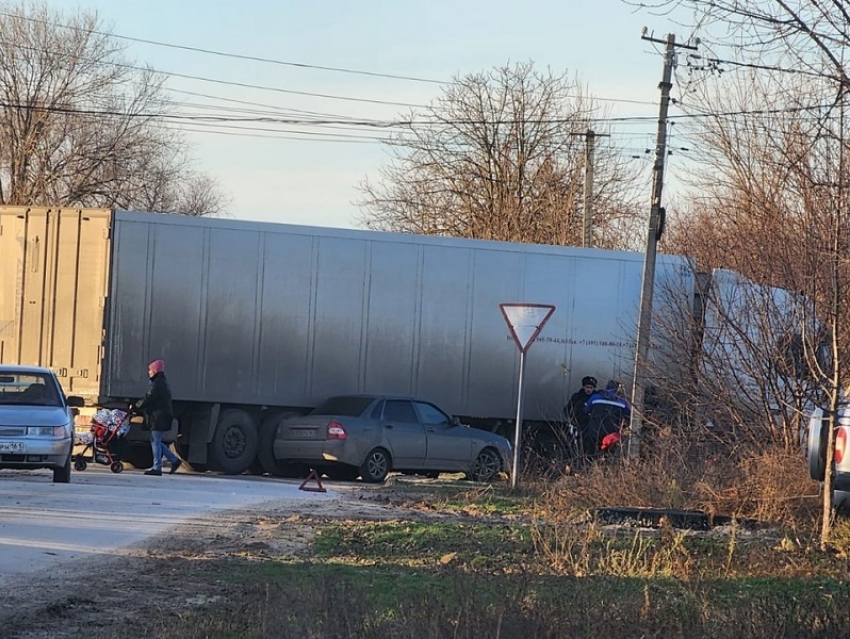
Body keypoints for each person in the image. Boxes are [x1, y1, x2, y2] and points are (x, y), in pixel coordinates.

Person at [132, 359, 182, 476]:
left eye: (150, 370)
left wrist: (136, 406)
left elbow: (148, 398)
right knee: (156, 441)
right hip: (161, 416)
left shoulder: (157, 384)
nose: (148, 372)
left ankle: (157, 467)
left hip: (159, 417)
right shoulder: (160, 382)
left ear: (155, 371)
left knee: (155, 441)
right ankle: (174, 460)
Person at [583, 379, 631, 458]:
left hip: (594, 432)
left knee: (591, 456)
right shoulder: (622, 401)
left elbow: (585, 411)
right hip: (611, 435)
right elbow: (629, 417)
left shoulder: (595, 397)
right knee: (608, 456)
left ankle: (589, 467)